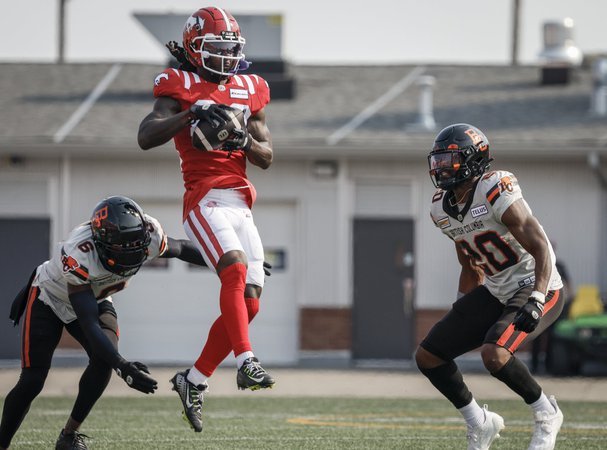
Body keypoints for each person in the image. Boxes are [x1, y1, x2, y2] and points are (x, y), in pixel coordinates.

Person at [137, 6, 275, 433]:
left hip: (240, 202)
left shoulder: (252, 87)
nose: (226, 57)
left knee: (250, 300)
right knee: (233, 270)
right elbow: (146, 136)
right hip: (203, 197)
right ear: (196, 49)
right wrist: (191, 113)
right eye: (216, 48)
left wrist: (243, 139)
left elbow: (267, 156)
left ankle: (193, 379)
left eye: (231, 49)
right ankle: (247, 361)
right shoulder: (179, 84)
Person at [0, 196, 209, 450]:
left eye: (136, 244)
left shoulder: (149, 233)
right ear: (102, 243)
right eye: (124, 246)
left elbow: (182, 249)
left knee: (103, 363)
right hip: (51, 297)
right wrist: (123, 366)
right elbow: (89, 324)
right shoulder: (79, 252)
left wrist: (226, 265)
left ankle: (68, 436)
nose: (133, 251)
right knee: (33, 379)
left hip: (96, 294)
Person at [415, 124, 565, 450]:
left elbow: (540, 246)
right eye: (438, 160)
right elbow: (469, 261)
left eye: (449, 160)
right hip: (497, 289)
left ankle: (546, 412)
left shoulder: (495, 186)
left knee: (495, 354)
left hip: (536, 282)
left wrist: (538, 296)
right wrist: (462, 308)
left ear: (472, 160)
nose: (440, 167)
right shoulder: (441, 207)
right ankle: (479, 422)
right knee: (429, 356)